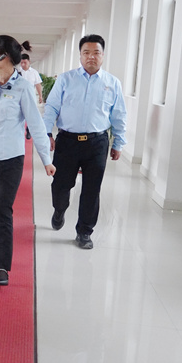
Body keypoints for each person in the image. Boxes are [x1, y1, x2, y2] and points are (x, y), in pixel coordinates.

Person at [0, 35, 55, 286]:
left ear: (4, 56)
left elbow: (36, 125)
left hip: (10, 157)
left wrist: (46, 160)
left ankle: (3, 266)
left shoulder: (23, 88)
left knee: (2, 210)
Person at [43, 34, 127, 250]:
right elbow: (51, 107)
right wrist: (46, 133)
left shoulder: (112, 83)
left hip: (97, 143)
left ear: (103, 55)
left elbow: (119, 114)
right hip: (67, 141)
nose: (91, 57)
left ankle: (84, 232)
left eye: (96, 53)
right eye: (86, 52)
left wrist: (118, 142)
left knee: (92, 189)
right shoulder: (66, 79)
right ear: (80, 55)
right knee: (61, 185)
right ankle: (59, 209)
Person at [19, 50, 43, 140]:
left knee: (30, 114)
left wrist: (40, 96)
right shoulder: (17, 72)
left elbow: (38, 84)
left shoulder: (34, 72)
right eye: (21, 62)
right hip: (19, 96)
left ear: (29, 62)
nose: (23, 64)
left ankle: (29, 130)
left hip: (30, 96)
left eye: (25, 62)